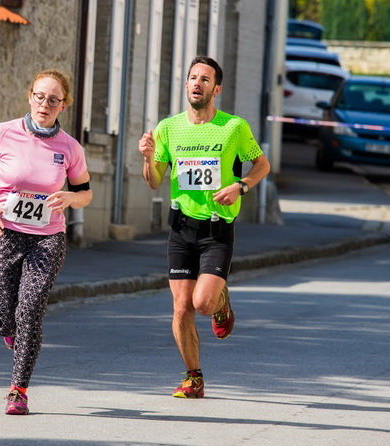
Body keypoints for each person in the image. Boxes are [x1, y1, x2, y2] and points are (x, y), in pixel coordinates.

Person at [138, 55, 270, 399]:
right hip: (181, 228)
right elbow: (154, 182)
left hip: (216, 230)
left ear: (217, 88)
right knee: (181, 308)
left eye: (205, 79)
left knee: (203, 304)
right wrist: (147, 157)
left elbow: (262, 164)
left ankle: (221, 301)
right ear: (186, 85)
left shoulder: (234, 127)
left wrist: (240, 186)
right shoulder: (168, 128)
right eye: (193, 77)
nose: (197, 83)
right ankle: (193, 377)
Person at [0, 69, 92, 415]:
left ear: (63, 105)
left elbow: (85, 194)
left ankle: (18, 390)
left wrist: (69, 198)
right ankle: (12, 334)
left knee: (30, 310)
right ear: (30, 97)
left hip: (47, 239)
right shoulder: (3, 133)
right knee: (1, 319)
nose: (45, 104)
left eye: (53, 100)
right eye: (40, 97)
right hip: (3, 232)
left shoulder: (69, 147)